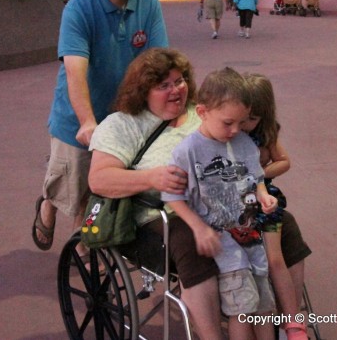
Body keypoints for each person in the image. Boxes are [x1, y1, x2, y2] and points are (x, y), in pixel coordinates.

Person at [88, 48, 312, 340]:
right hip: (163, 215)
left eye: (179, 81)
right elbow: (99, 179)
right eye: (164, 85)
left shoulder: (203, 110)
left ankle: (286, 323)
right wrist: (151, 177)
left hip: (226, 205)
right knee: (195, 241)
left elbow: (249, 135)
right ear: (143, 91)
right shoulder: (122, 124)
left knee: (285, 224)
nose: (176, 90)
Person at [31, 0, 169, 256]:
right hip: (77, 118)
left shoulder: (147, 5)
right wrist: (87, 122)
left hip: (124, 119)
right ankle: (50, 205)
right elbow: (75, 71)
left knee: (100, 194)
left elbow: (160, 62)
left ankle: (89, 250)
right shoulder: (79, 10)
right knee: (72, 188)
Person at [163, 67, 277, 340]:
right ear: (202, 112)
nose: (236, 130)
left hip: (251, 236)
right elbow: (172, 197)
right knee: (242, 310)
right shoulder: (187, 151)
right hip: (224, 245)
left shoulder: (243, 142)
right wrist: (198, 228)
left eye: (241, 122)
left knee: (265, 307)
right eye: (228, 123)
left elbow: (256, 177)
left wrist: (263, 194)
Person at [242, 73, 309, 340]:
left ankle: (291, 324)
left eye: (252, 118)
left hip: (264, 200)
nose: (245, 124)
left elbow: (285, 161)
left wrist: (261, 173)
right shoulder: (230, 129)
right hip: (237, 202)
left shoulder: (265, 133)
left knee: (274, 259)